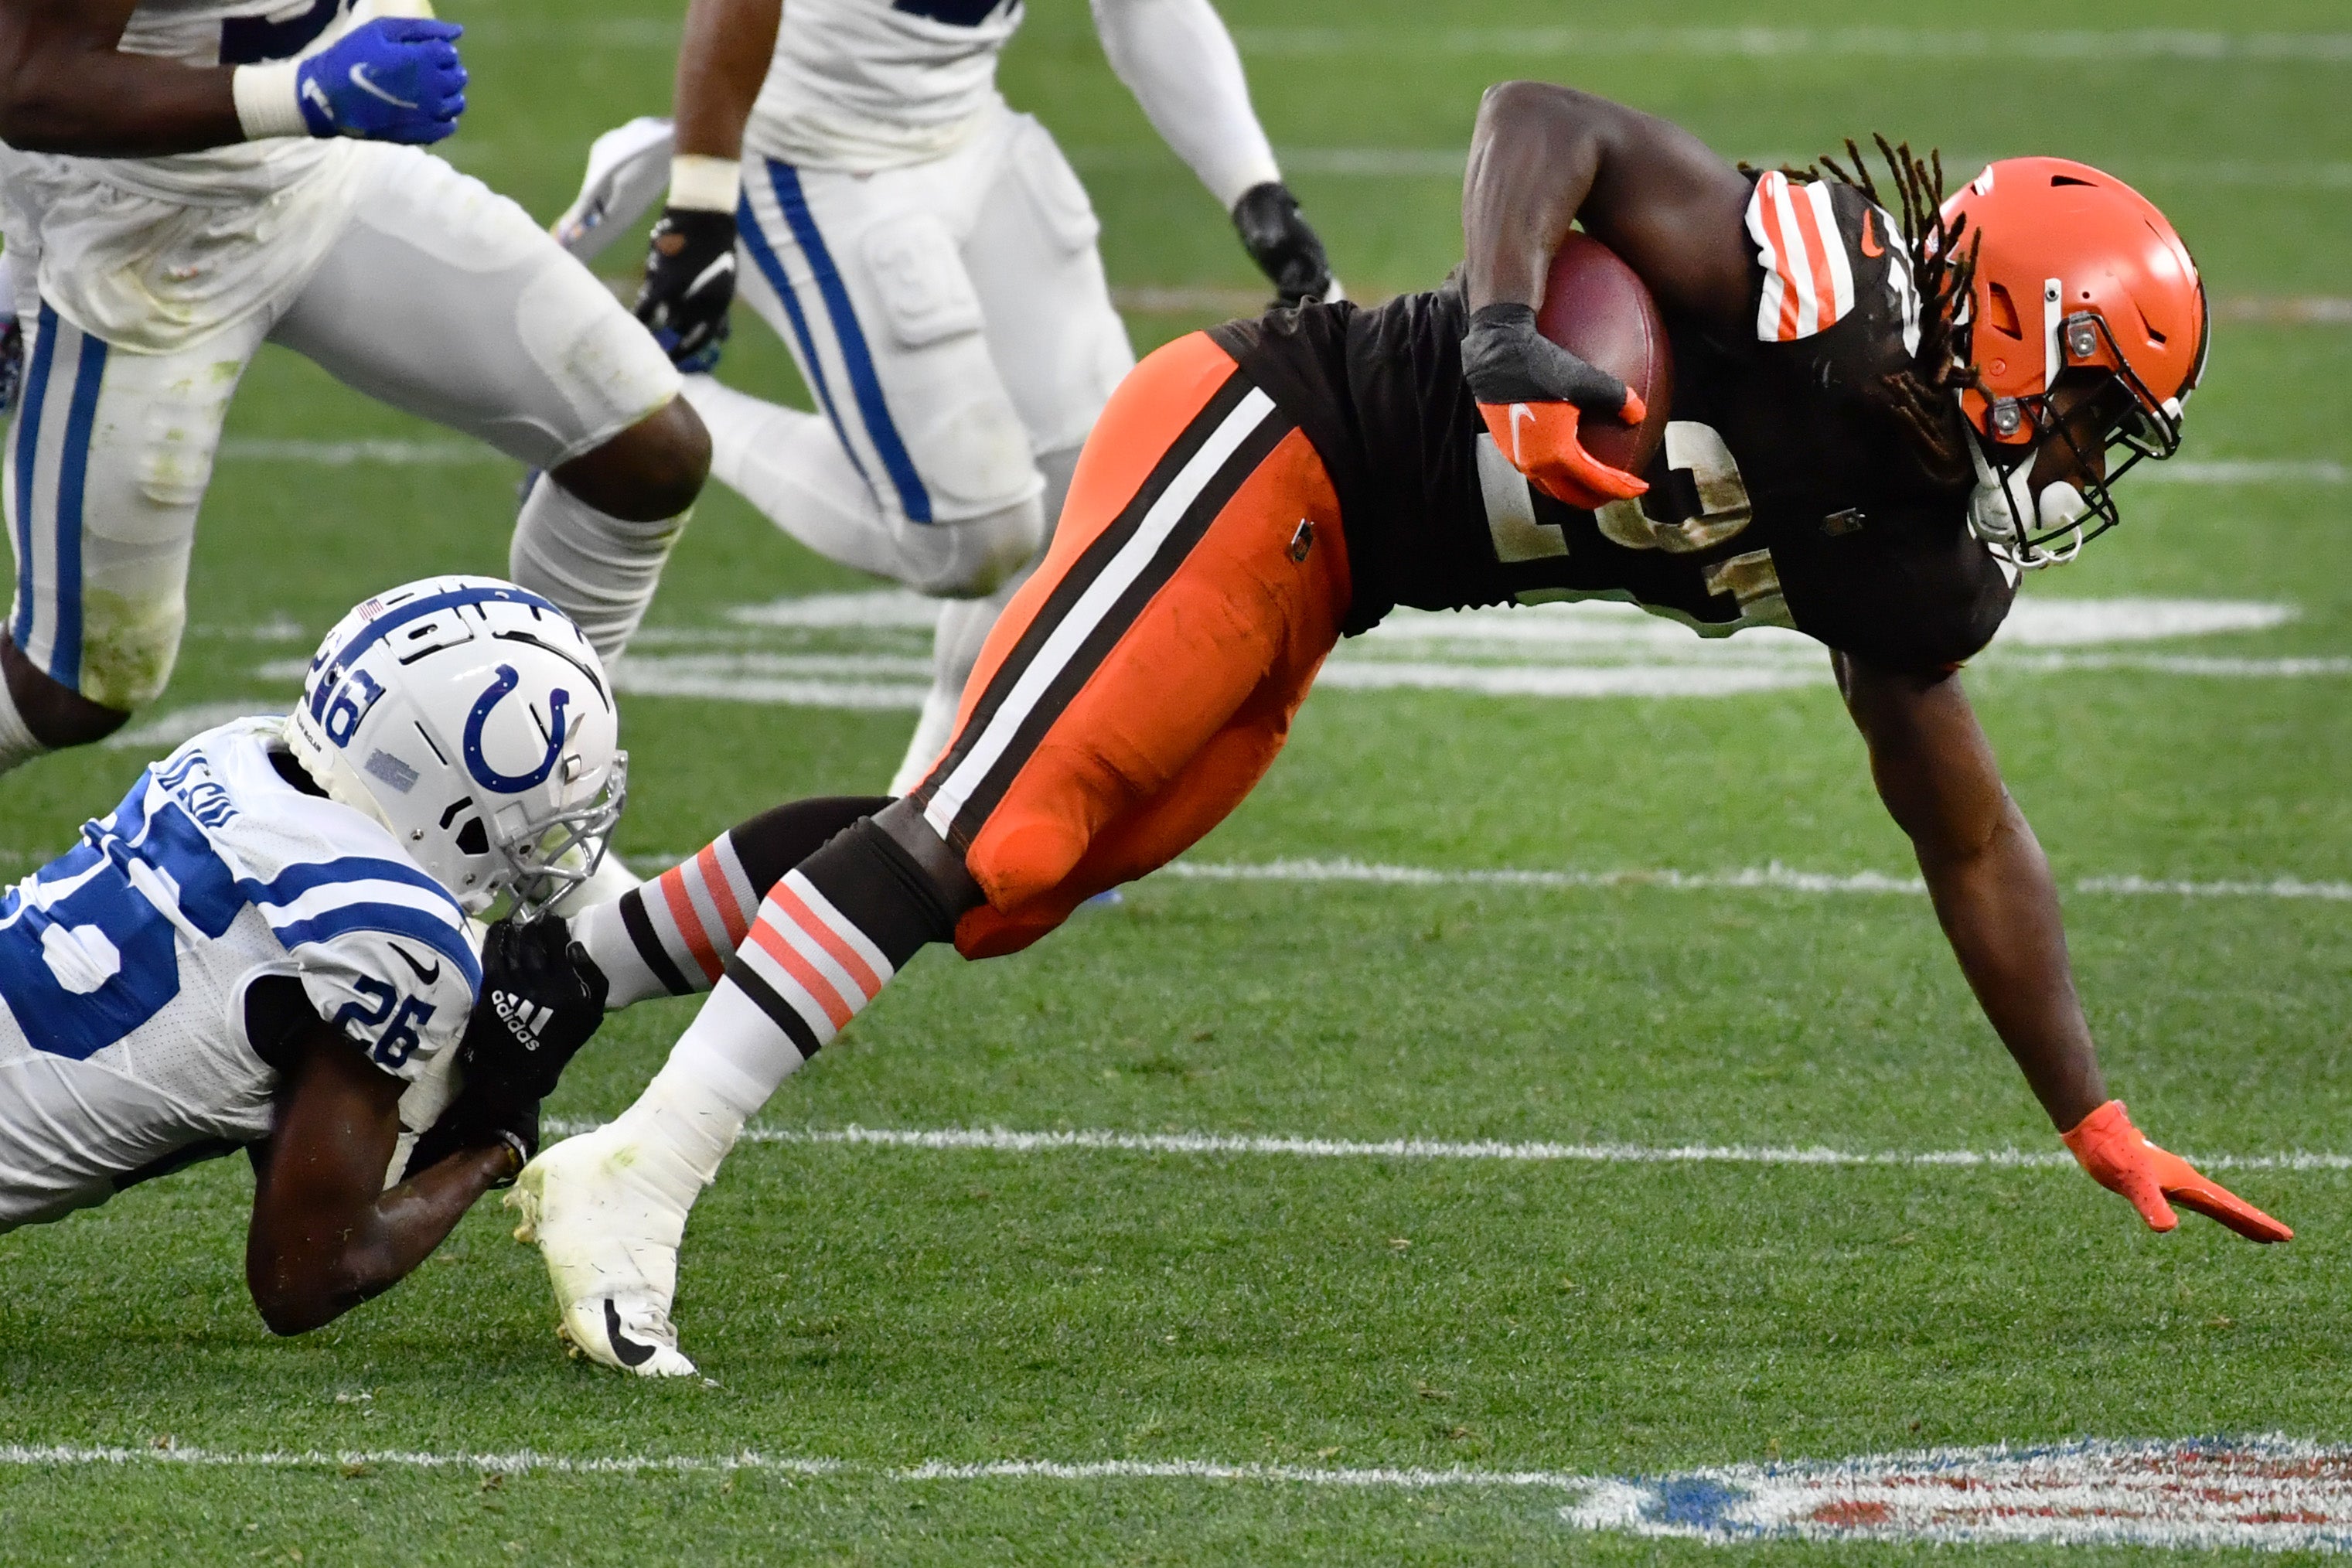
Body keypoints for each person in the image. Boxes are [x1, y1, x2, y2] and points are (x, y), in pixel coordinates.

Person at [512, 85, 2287, 1378]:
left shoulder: (1901, 545)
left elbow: (1966, 833)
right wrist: (1504, 323)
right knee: (990, 824)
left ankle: (563, 975)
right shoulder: (1804, 291)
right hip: (1264, 429)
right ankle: (640, 1178)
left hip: (1339, 572)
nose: (2077, 464)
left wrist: (2089, 1110)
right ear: (2009, 326)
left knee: (1011, 878)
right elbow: (1545, 122)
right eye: (2084, 415)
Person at [553, 0, 1339, 793]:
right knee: (967, 541)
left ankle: (929, 806)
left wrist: (1255, 189)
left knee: (1092, 492)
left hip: (970, 129)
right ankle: (654, 399)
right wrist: (701, 196)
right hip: (816, 154)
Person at [0, 0, 710, 776]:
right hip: (135, 226)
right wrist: (302, 92)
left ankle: (522, 782)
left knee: (644, 454)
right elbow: (30, 84)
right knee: (70, 687)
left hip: (324, 170)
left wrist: (395, 27)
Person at [0, 577, 615, 1334]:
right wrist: (496, 1144)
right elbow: (304, 1279)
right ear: (454, 792)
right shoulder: (395, 938)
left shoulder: (235, 751)